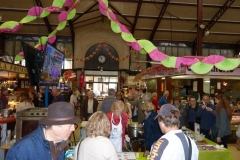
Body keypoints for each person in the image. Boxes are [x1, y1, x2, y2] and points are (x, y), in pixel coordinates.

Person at [6, 102, 81, 159]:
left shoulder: (60, 143)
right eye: (70, 126)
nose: (73, 129)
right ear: (55, 126)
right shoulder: (23, 149)